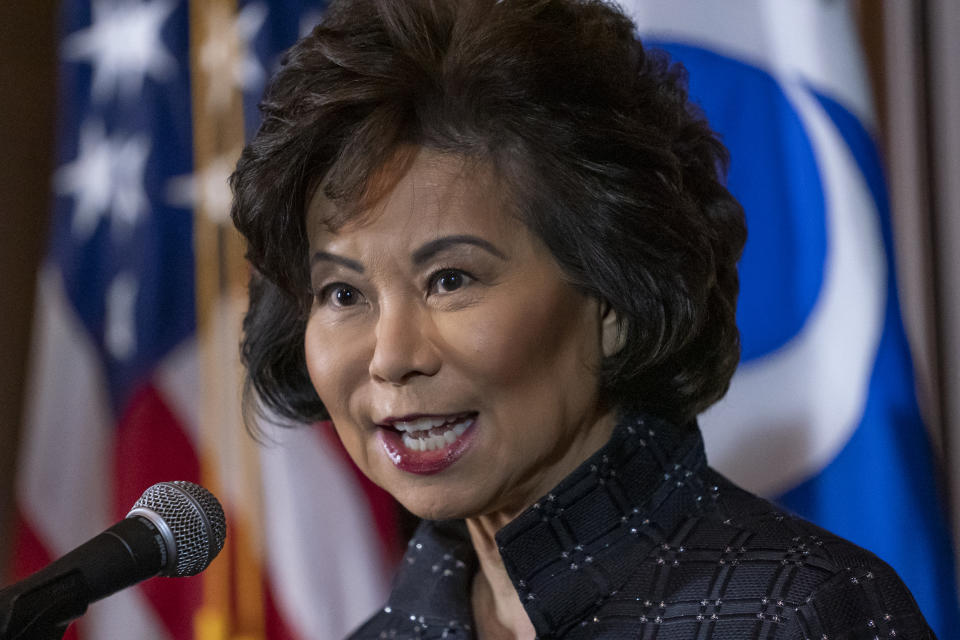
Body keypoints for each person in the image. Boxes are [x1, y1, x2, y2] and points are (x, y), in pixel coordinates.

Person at [229, 0, 935, 637]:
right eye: (343, 295)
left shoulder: (799, 614)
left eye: (450, 280)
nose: (391, 356)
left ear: (615, 297)